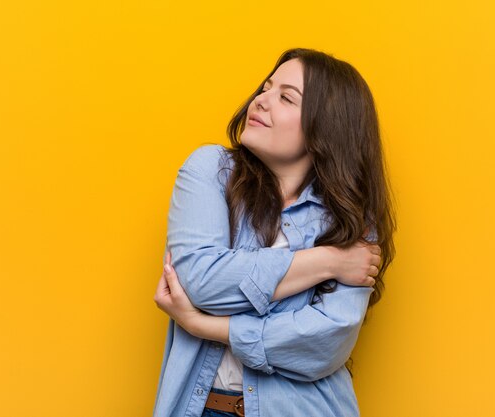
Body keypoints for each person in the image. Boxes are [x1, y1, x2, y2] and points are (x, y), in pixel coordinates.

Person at [152, 48, 396, 417]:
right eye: (265, 89)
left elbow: (325, 343)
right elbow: (201, 281)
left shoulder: (350, 219)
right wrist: (328, 260)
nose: (261, 101)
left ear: (325, 128)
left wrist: (201, 324)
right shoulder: (210, 171)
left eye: (285, 97)